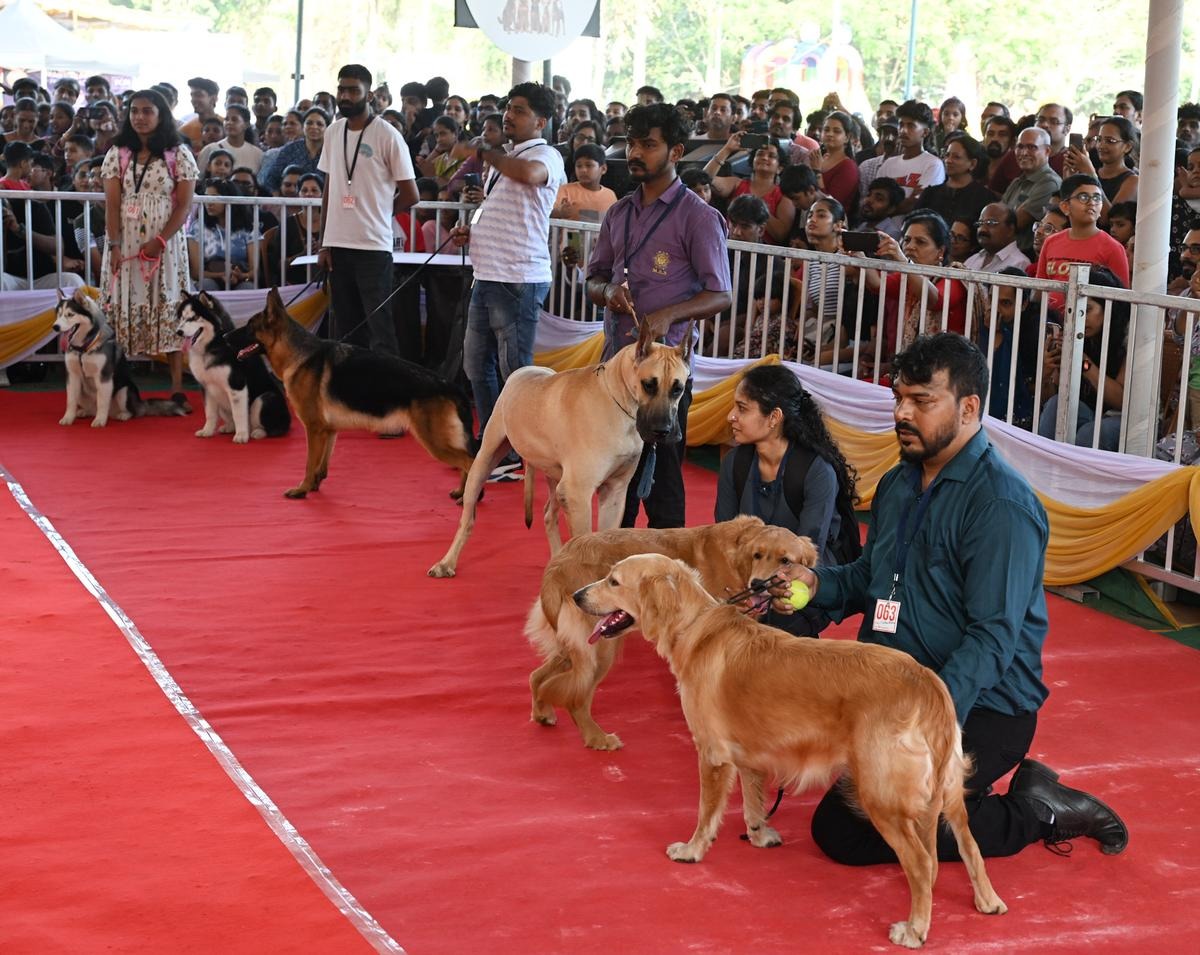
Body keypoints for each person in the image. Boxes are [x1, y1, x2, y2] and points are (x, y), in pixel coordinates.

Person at [787, 332, 1128, 865]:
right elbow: (869, 577)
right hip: (898, 694)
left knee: (848, 832)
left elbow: (991, 640)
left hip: (984, 708)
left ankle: (1040, 811)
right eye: (899, 397)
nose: (902, 413)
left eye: (921, 401)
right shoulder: (899, 483)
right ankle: (955, 794)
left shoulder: (1000, 506)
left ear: (968, 408)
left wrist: (925, 721)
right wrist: (811, 585)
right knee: (846, 827)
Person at [585, 102, 732, 528]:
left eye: (648, 145)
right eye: (632, 143)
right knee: (614, 482)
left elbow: (721, 294)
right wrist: (608, 291)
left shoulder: (698, 217)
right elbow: (593, 279)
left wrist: (669, 314)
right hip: (617, 370)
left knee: (664, 483)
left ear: (676, 151)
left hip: (666, 378)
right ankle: (614, 561)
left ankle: (665, 565)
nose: (635, 153)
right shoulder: (619, 212)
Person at [449, 81, 566, 466]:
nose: (508, 115)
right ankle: (495, 439)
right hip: (487, 274)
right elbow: (505, 209)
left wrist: (485, 152)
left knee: (516, 371)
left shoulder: (546, 155)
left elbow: (531, 175)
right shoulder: (506, 158)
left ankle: (522, 448)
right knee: (475, 365)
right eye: (508, 108)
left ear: (541, 121)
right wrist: (474, 230)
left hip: (518, 278)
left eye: (519, 110)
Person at [716, 364, 857, 636]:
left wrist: (765, 596)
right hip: (752, 572)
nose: (730, 416)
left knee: (779, 624)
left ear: (774, 417)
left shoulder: (817, 470)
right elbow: (725, 539)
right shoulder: (734, 463)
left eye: (742, 408)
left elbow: (807, 554)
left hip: (807, 574)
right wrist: (735, 590)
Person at [100, 88, 198, 395]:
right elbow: (112, 205)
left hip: (165, 246)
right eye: (134, 111)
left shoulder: (178, 153)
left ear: (161, 115)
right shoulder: (117, 153)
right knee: (122, 304)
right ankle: (116, 385)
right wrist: (115, 246)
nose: (139, 117)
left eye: (147, 111)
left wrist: (159, 240)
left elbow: (184, 207)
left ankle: (177, 386)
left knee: (168, 305)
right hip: (125, 242)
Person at [317, 64, 418, 354]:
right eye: (341, 89)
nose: (345, 96)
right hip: (337, 246)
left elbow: (411, 195)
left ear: (369, 95)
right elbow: (329, 189)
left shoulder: (387, 135)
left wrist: (380, 212)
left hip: (373, 247)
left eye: (353, 90)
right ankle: (352, 383)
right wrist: (324, 243)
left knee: (380, 328)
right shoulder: (333, 132)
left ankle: (385, 383)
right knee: (347, 329)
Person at [1038, 266, 1129, 450]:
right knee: (1055, 405)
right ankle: (1044, 465)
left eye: (1087, 310)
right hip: (1089, 413)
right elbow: (1052, 400)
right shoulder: (1074, 333)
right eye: (1075, 310)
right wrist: (1046, 374)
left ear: (1108, 307)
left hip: (1122, 418)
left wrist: (1084, 363)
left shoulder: (1128, 337)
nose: (1080, 318)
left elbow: (1121, 401)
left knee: (1089, 433)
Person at [705, 133, 795, 243]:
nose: (764, 158)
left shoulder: (783, 195)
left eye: (771, 156)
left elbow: (781, 235)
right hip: (729, 246)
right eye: (760, 154)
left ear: (779, 168)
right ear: (753, 161)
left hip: (763, 252)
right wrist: (727, 149)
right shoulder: (737, 184)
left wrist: (757, 207)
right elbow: (703, 179)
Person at [187, 178, 261, 290]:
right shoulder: (197, 227)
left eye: (214, 197)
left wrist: (242, 276)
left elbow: (255, 271)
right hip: (210, 278)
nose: (209, 203)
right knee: (206, 285)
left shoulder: (248, 229)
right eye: (206, 197)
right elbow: (196, 273)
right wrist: (221, 275)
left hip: (240, 279)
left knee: (248, 287)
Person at [1001, 127, 1062, 257]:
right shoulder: (1017, 181)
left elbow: (1011, 225)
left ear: (1047, 151)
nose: (1024, 153)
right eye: (1020, 147)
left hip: (1024, 257)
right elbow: (997, 216)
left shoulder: (1049, 183)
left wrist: (997, 223)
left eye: (1031, 147)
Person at [878, 100, 944, 214]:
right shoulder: (888, 164)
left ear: (925, 132)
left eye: (911, 126)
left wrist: (885, 210)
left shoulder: (933, 164)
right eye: (901, 125)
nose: (903, 130)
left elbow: (916, 203)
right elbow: (875, 201)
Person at [916, 135, 994, 229]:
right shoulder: (930, 193)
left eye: (956, 157)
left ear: (972, 164)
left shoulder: (984, 198)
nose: (948, 161)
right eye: (947, 155)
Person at [260, 107, 327, 195]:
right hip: (291, 201)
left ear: (327, 128)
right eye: (309, 123)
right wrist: (279, 200)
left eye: (319, 124)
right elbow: (271, 179)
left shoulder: (332, 151)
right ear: (303, 126)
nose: (314, 127)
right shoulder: (290, 149)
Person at [812, 110, 860, 214]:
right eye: (826, 130)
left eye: (837, 131)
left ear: (847, 137)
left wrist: (817, 172)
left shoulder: (848, 167)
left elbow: (831, 205)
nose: (830, 134)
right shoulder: (820, 158)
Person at [964, 203, 1031, 273]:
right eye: (980, 223)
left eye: (991, 223)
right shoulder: (972, 260)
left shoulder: (1019, 264)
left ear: (1010, 229)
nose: (983, 229)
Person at [197, 105, 263, 175]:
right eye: (226, 119)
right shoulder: (210, 149)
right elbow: (199, 177)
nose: (229, 122)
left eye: (234, 120)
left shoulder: (257, 154)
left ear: (246, 125)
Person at [179, 77, 221, 153]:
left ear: (213, 99)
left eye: (198, 95)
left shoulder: (226, 126)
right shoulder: (185, 131)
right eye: (192, 96)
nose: (193, 100)